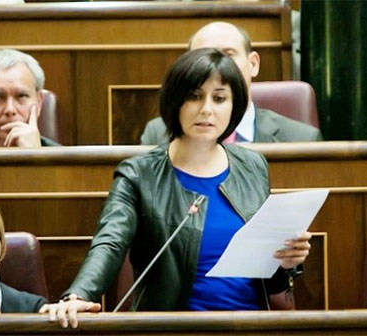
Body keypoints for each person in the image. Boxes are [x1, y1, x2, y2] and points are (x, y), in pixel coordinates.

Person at [41, 48, 312, 328]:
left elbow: (267, 273)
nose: (206, 108)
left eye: (219, 98)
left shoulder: (253, 166)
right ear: (175, 101)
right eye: (195, 96)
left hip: (249, 325)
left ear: (235, 106)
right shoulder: (139, 174)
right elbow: (110, 242)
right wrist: (79, 294)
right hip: (173, 328)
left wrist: (286, 261)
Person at [140, 21, 323, 144]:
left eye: (228, 55)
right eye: (205, 56)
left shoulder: (301, 138)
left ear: (253, 64)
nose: (217, 68)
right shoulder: (158, 134)